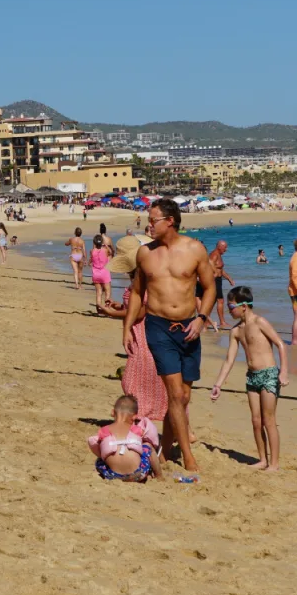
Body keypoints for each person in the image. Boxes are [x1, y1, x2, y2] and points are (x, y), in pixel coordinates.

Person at [123, 199, 215, 472]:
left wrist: (201, 319)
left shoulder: (195, 249)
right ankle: (188, 458)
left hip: (189, 328)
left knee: (183, 397)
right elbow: (138, 293)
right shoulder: (144, 254)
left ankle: (165, 451)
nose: (148, 225)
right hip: (158, 327)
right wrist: (126, 326)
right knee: (174, 393)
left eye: (153, 220)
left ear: (170, 221)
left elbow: (209, 289)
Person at [211, 286, 289, 471]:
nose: (229, 311)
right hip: (252, 377)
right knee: (255, 420)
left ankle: (274, 464)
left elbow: (280, 345)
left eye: (231, 307)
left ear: (243, 306)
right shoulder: (236, 331)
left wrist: (283, 371)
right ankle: (263, 459)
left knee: (268, 419)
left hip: (269, 374)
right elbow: (229, 359)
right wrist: (218, 385)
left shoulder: (260, 322)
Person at [98, 235, 167, 421]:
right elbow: (134, 308)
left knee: (132, 380)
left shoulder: (145, 278)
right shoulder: (139, 276)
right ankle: (146, 416)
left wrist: (111, 314)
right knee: (146, 379)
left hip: (144, 334)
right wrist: (120, 307)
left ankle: (143, 415)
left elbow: (141, 311)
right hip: (138, 332)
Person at [87, 395, 163, 482]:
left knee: (100, 457)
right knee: (147, 445)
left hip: (112, 475)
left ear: (112, 413)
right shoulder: (137, 429)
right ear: (134, 417)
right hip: (138, 474)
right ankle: (159, 476)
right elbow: (152, 438)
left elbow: (93, 443)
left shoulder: (104, 431)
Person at [196, 241, 233, 330]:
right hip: (214, 280)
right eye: (225, 247)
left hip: (218, 280)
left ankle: (207, 320)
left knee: (216, 301)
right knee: (219, 300)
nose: (226, 249)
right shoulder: (214, 255)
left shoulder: (218, 255)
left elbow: (220, 269)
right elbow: (208, 267)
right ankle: (221, 322)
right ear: (219, 247)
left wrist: (229, 278)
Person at [90, 234, 112, 309]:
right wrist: (106, 245)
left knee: (98, 292)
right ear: (102, 242)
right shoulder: (105, 250)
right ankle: (107, 307)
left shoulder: (92, 251)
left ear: (94, 243)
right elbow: (110, 252)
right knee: (107, 291)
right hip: (105, 273)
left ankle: (99, 308)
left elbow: (92, 259)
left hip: (96, 274)